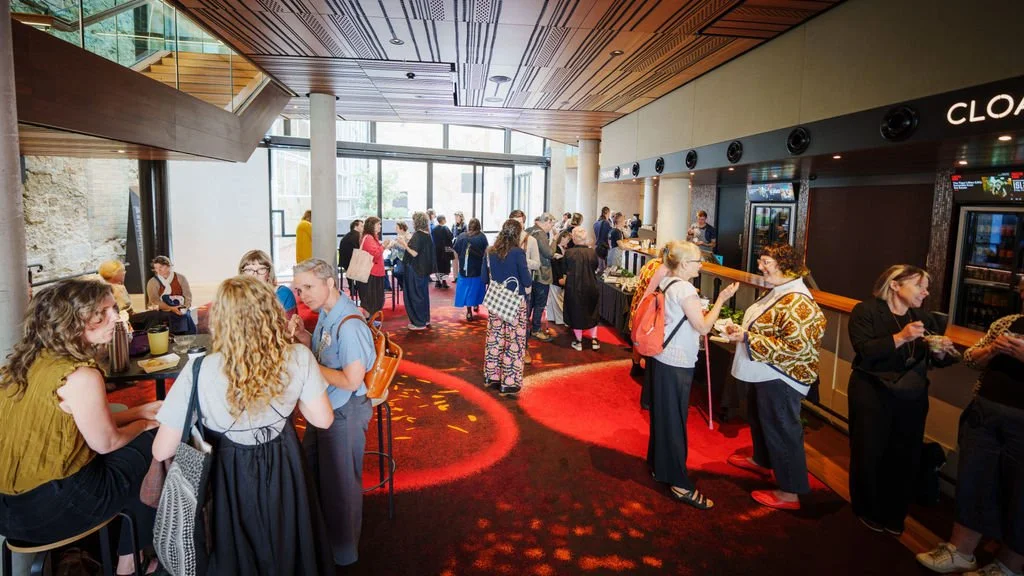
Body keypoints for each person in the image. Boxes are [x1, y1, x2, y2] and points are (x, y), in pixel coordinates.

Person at [152, 275, 335, 575]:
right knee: (285, 540)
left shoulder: (199, 369)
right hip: (284, 464)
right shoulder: (299, 357)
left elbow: (162, 450)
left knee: (233, 552)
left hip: (227, 473)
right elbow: (322, 419)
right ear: (271, 313)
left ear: (220, 319)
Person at [0, 278, 161, 576]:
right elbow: (106, 443)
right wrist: (145, 422)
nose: (117, 317)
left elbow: (73, 426)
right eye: (106, 311)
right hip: (57, 507)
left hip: (10, 512)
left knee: (135, 432)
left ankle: (107, 549)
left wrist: (138, 412)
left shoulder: (20, 366)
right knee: (158, 445)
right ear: (75, 321)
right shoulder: (80, 375)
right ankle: (130, 564)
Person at [916, 277, 1024, 576]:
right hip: (985, 414)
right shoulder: (1008, 322)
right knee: (974, 482)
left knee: (1019, 495)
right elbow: (971, 360)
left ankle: (1008, 566)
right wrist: (992, 350)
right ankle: (961, 551)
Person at [847, 265, 958, 536]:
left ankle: (895, 513)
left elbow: (937, 359)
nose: (926, 291)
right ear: (895, 285)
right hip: (871, 391)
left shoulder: (922, 316)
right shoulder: (866, 311)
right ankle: (868, 509)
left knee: (905, 455)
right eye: (919, 285)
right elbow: (865, 351)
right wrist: (900, 337)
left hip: (912, 395)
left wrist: (942, 353)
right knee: (870, 451)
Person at [723, 243, 826, 511]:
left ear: (785, 266)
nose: (760, 266)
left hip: (783, 377)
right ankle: (762, 459)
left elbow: (796, 348)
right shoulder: (781, 291)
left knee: (782, 428)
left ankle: (791, 491)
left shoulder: (799, 301)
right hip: (765, 371)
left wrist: (746, 336)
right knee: (760, 418)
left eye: (766, 261)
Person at [289, 258, 376, 568]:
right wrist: (303, 338)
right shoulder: (327, 313)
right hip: (327, 406)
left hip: (345, 410)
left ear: (329, 283)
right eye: (299, 289)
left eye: (309, 287)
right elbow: (323, 351)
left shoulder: (349, 324)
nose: (303, 295)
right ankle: (325, 542)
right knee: (317, 473)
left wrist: (308, 363)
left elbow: (352, 381)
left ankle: (344, 554)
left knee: (341, 487)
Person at [648, 241, 739, 510]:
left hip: (662, 357)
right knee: (675, 421)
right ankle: (679, 482)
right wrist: (722, 300)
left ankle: (659, 466)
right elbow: (702, 326)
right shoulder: (685, 288)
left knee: (663, 416)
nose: (701, 265)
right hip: (676, 361)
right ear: (685, 264)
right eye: (698, 260)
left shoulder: (667, 280)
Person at [482, 219, 533, 395]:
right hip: (514, 301)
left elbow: (486, 277)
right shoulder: (518, 253)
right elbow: (526, 280)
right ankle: (509, 382)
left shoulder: (491, 251)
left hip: (496, 300)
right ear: (517, 234)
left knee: (495, 338)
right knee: (514, 341)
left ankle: (491, 376)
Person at [627, 246, 671, 407]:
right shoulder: (664, 269)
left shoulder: (651, 263)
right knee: (649, 336)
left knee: (638, 336)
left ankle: (635, 365)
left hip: (639, 300)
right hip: (650, 306)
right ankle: (649, 374)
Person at [564, 226, 600, 351]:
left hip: (574, 286)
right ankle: (594, 340)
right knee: (592, 311)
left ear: (574, 238)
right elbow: (595, 267)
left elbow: (565, 268)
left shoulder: (569, 253)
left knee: (576, 312)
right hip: (591, 285)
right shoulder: (592, 252)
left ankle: (578, 342)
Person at [398, 211, 435, 331]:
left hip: (415, 269)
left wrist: (404, 244)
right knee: (423, 295)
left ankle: (419, 322)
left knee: (415, 295)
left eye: (414, 220)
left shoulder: (418, 235)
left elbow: (414, 253)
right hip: (422, 269)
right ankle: (425, 318)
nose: (412, 223)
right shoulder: (427, 234)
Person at [146, 255, 196, 334]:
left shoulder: (181, 278)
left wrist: (185, 308)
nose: (158, 270)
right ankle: (178, 337)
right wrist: (171, 308)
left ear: (168, 266)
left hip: (180, 306)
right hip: (162, 309)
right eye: (156, 268)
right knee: (173, 316)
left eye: (161, 267)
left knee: (185, 315)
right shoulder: (152, 282)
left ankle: (188, 337)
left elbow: (187, 296)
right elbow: (154, 301)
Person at [238, 249, 297, 316]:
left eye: (261, 269)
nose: (255, 275)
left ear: (269, 273)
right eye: (249, 270)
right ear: (242, 273)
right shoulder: (235, 295)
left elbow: (290, 325)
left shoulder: (282, 294)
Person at [526, 213, 556, 342]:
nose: (552, 227)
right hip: (541, 273)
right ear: (547, 222)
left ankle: (526, 327)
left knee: (530, 302)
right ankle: (536, 329)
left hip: (530, 273)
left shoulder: (529, 230)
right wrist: (555, 239)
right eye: (552, 224)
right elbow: (549, 253)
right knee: (540, 303)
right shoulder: (541, 234)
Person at [453, 218, 489, 321]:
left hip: (465, 269)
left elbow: (455, 251)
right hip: (477, 269)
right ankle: (476, 305)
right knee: (476, 289)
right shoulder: (482, 236)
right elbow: (486, 251)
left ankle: (469, 312)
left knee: (466, 290)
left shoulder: (462, 236)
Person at [357, 216, 387, 316]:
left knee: (374, 299)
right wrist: (384, 246)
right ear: (372, 226)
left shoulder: (370, 237)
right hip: (372, 272)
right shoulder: (369, 238)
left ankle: (370, 320)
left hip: (374, 272)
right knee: (372, 300)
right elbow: (375, 255)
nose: (380, 226)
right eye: (378, 224)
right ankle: (369, 321)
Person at [546, 229, 572, 328]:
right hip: (556, 277)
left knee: (554, 299)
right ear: (563, 238)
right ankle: (561, 319)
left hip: (557, 277)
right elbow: (555, 266)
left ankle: (553, 317)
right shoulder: (556, 249)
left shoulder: (560, 248)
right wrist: (559, 278)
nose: (568, 241)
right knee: (558, 299)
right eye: (567, 239)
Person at [338, 219, 364, 297]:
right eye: (362, 226)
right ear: (356, 226)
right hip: (352, 263)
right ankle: (361, 289)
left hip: (344, 262)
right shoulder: (357, 236)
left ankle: (353, 288)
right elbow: (361, 250)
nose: (363, 228)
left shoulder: (347, 236)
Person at [432, 215, 455, 289]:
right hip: (446, 250)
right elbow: (451, 237)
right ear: (442, 220)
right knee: (445, 266)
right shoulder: (445, 228)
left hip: (437, 250)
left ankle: (438, 282)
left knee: (438, 266)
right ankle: (444, 282)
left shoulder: (434, 229)